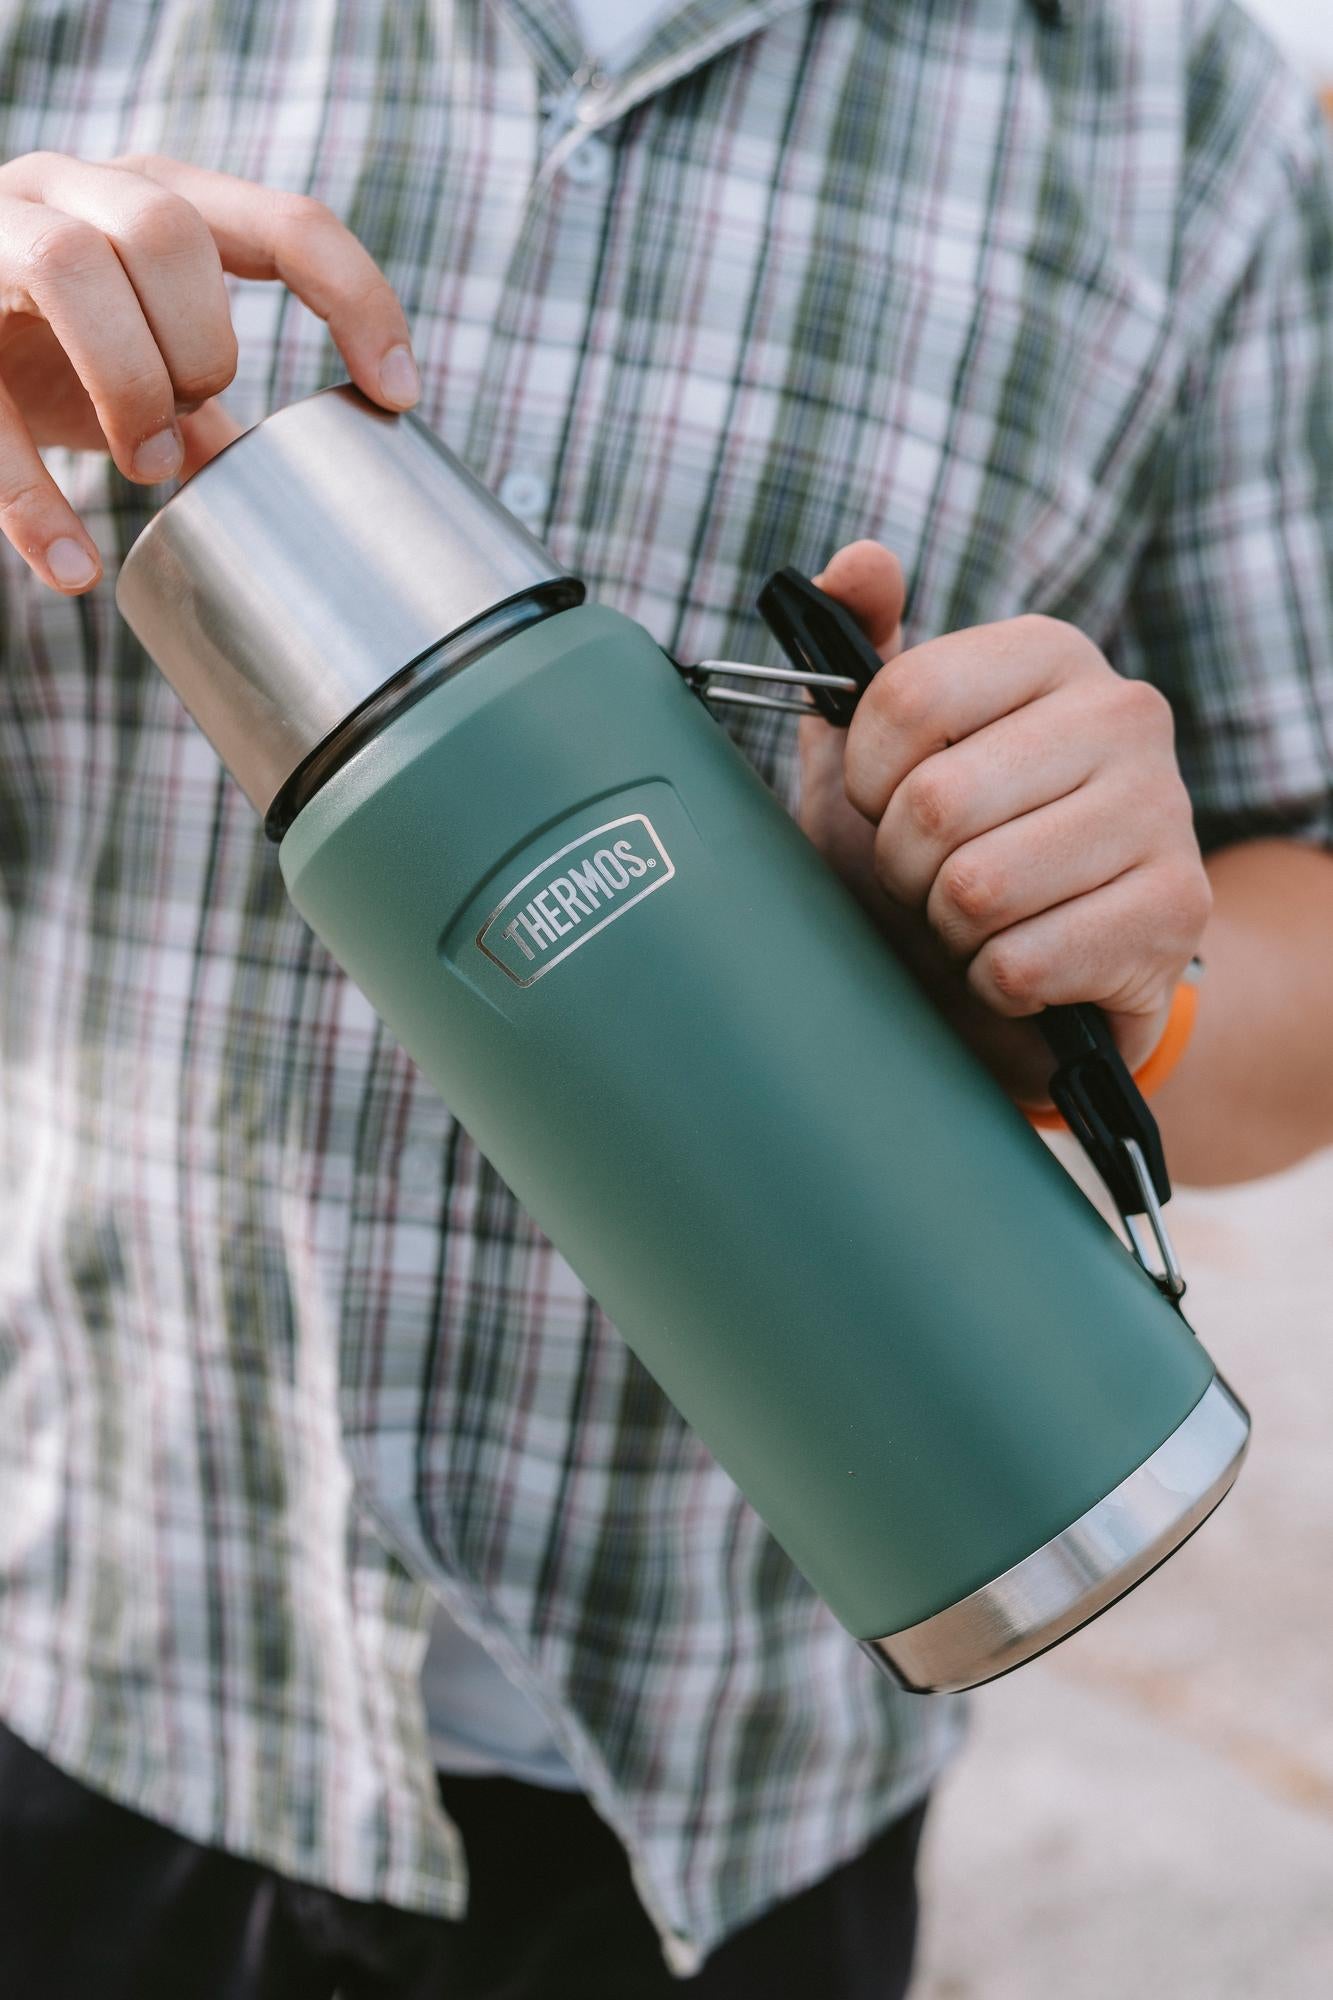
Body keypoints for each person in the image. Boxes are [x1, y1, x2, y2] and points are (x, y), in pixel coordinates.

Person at [0, 1, 1329, 1994]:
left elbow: (1303, 930)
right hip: (96, 1677)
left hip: (736, 1795)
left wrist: (1095, 990)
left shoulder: (1185, 117)